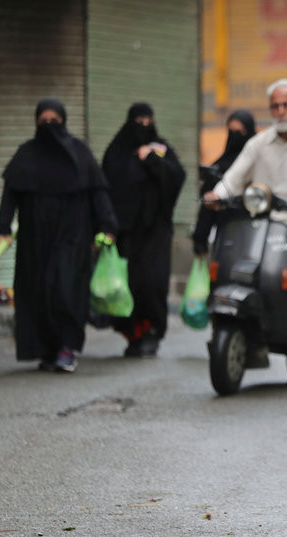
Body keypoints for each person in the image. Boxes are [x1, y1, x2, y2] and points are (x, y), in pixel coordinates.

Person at [0, 98, 118, 373]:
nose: (49, 127)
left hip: (72, 236)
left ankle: (66, 347)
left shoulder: (80, 153)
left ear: (64, 121)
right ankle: (46, 349)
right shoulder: (26, 154)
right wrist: (3, 228)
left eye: (55, 121)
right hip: (34, 238)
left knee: (65, 288)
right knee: (37, 292)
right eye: (43, 122)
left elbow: (97, 192)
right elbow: (10, 194)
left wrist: (108, 227)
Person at [202, 79, 287, 344]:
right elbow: (233, 177)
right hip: (265, 217)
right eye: (275, 106)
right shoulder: (258, 144)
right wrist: (218, 194)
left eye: (286, 105)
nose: (281, 111)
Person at [102, 102, 186, 358]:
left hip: (156, 232)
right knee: (128, 285)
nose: (144, 127)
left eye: (149, 122)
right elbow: (105, 188)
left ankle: (151, 333)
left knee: (152, 283)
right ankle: (132, 334)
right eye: (138, 122)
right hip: (125, 232)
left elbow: (176, 177)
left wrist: (151, 161)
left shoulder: (160, 149)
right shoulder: (116, 152)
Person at [192, 109, 256, 257]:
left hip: (255, 232)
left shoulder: (258, 162)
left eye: (240, 132)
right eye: (231, 131)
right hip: (226, 235)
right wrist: (200, 240)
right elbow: (207, 204)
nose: (235, 137)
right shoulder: (219, 167)